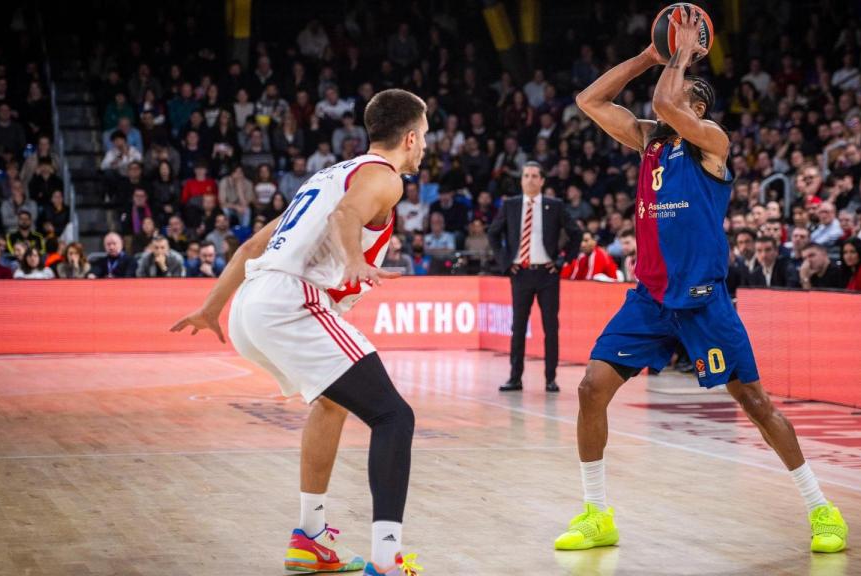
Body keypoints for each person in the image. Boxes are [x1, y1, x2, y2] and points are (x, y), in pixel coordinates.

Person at [559, 8, 847, 556]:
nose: (665, 97)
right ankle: (597, 513)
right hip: (649, 300)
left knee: (757, 405)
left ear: (698, 107)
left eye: (682, 89)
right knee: (591, 388)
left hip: (702, 301)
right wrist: (651, 55)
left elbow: (667, 102)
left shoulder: (712, 141)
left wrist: (685, 53)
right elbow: (589, 102)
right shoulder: (649, 141)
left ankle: (821, 509)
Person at [172, 89, 426, 576]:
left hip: (252, 302)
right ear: (410, 137)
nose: (424, 147)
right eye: (426, 136)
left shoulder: (328, 174)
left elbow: (250, 246)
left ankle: (309, 538)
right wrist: (354, 258)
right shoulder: (384, 177)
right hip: (292, 299)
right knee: (395, 416)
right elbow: (344, 216)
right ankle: (387, 561)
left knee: (330, 403)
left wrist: (212, 308)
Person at [488, 161, 581, 393]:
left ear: (542, 180)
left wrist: (562, 261)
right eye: (526, 176)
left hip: (547, 275)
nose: (529, 179)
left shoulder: (554, 205)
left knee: (551, 328)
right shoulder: (510, 205)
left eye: (534, 176)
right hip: (520, 273)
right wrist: (506, 262)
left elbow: (576, 233)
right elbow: (493, 233)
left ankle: (551, 378)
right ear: (521, 180)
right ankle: (514, 378)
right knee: (518, 327)